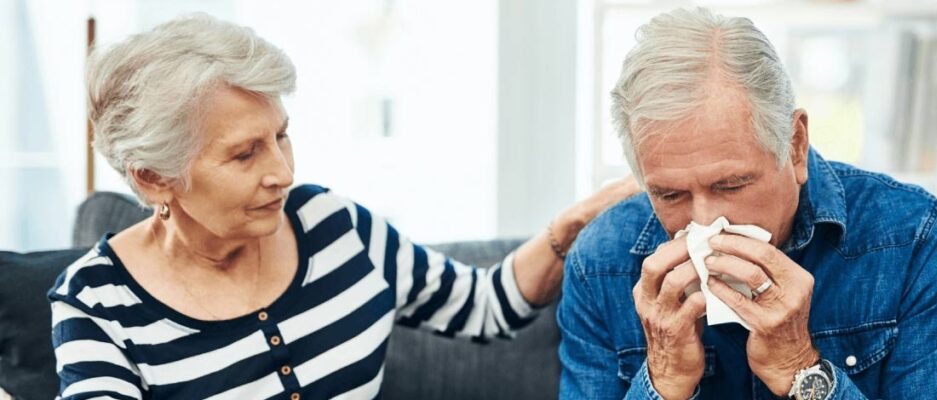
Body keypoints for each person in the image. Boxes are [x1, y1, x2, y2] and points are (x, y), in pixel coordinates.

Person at [49, 14, 638, 399]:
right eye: (244, 155)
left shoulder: (330, 226)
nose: (281, 173)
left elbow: (483, 307)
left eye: (281, 136)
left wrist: (568, 229)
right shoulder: (97, 303)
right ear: (155, 179)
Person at [557, 7, 937, 400]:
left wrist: (800, 368)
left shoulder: (911, 239)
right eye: (670, 195)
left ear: (795, 146)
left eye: (732, 185)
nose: (707, 222)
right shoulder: (600, 263)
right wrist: (663, 380)